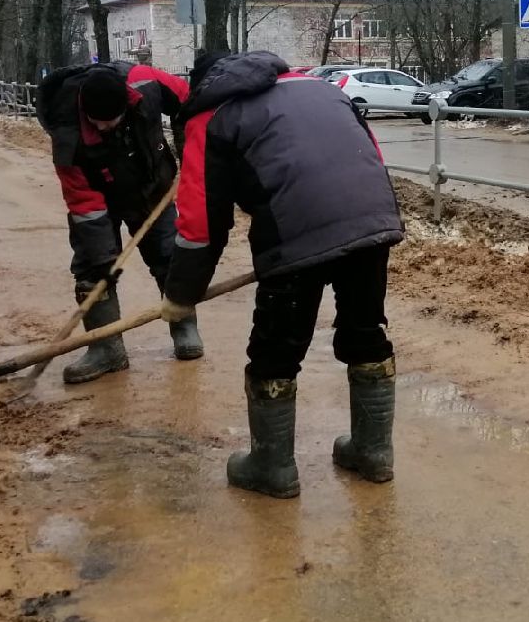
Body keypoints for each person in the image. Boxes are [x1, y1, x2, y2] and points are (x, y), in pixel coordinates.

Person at [163, 51, 404, 498]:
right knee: (365, 329)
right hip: (372, 218)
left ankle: (271, 466)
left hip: (295, 232)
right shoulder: (324, 89)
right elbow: (370, 155)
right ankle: (373, 452)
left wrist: (181, 295)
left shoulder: (209, 117)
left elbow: (200, 226)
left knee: (276, 348)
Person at [36, 58, 204, 383]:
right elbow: (83, 200)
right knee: (93, 267)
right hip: (99, 193)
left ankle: (184, 329)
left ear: (126, 105)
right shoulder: (66, 127)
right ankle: (106, 349)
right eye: (96, 122)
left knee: (170, 255)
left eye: (110, 121)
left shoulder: (145, 82)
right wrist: (103, 259)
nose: (103, 128)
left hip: (153, 184)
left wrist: (189, 152)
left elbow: (191, 103)